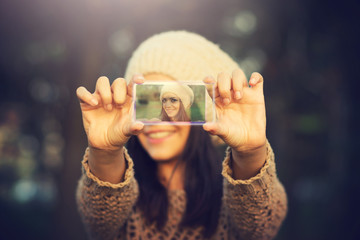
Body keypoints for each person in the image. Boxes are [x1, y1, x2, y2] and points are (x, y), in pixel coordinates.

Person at [76, 31, 287, 240]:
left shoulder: (234, 199)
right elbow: (100, 220)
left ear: (198, 107)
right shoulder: (118, 197)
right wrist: (104, 153)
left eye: (172, 100)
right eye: (146, 103)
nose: (155, 121)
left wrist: (250, 153)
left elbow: (261, 228)